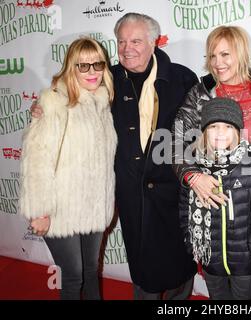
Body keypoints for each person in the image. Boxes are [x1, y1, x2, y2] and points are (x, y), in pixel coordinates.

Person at [30, 13, 199, 300]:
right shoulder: (108, 79)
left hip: (173, 193)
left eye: (135, 41)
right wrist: (44, 104)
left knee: (179, 268)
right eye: (121, 41)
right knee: (142, 270)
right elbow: (72, 89)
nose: (127, 48)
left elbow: (194, 134)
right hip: (131, 194)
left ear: (153, 41)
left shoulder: (182, 78)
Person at [172, 25, 251, 298]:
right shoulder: (200, 95)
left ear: (241, 53)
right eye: (212, 56)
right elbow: (176, 141)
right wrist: (192, 175)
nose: (217, 63)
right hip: (213, 210)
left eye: (225, 54)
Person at [19, 37, 117, 300]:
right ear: (70, 67)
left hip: (94, 206)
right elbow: (37, 158)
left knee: (90, 270)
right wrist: (40, 210)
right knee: (73, 275)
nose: (92, 72)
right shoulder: (53, 102)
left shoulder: (103, 103)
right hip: (60, 207)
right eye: (83, 66)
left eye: (97, 64)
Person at [179, 97, 251, 300]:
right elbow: (183, 209)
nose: (221, 133)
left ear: (238, 131)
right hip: (210, 259)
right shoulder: (194, 168)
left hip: (244, 259)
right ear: (204, 131)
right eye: (213, 126)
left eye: (228, 126)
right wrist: (191, 241)